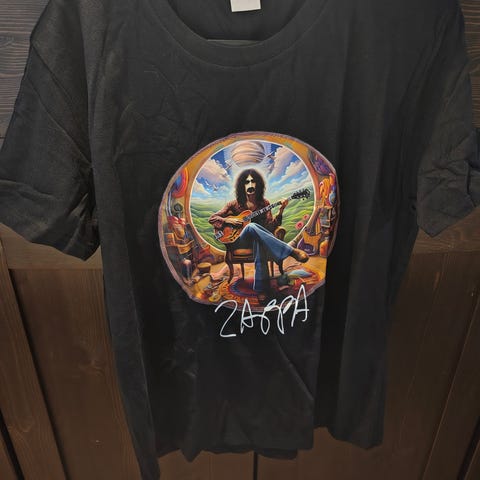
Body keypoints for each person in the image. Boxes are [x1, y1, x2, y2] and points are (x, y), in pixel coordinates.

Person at [209, 168, 308, 303]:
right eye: (247, 182)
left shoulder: (264, 204)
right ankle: (290, 251)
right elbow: (212, 218)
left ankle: (262, 290)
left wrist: (281, 210)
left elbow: (271, 226)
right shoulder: (233, 204)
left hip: (257, 239)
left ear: (258, 184)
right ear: (242, 185)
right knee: (251, 226)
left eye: (253, 181)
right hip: (238, 240)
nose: (250, 185)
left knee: (258, 240)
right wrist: (228, 220)